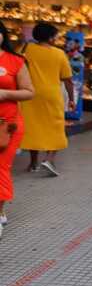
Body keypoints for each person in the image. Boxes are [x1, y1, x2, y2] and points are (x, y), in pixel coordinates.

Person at [19, 22, 74, 176]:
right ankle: (49, 159)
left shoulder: (25, 49)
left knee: (33, 127)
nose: (56, 39)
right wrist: (71, 99)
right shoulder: (58, 54)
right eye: (55, 36)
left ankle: (33, 163)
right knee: (55, 127)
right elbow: (68, 79)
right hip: (52, 95)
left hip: (30, 95)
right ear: (50, 37)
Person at [0, 20, 33, 232]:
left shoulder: (15, 61)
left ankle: (0, 210)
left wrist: (5, 94)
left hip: (6, 125)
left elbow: (29, 92)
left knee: (1, 167)